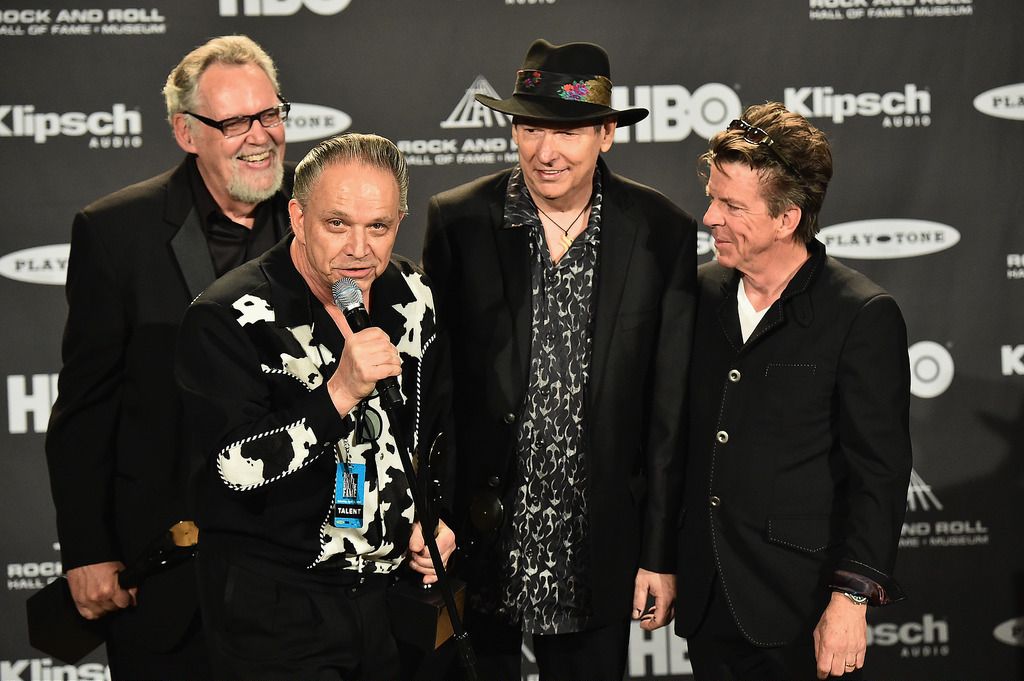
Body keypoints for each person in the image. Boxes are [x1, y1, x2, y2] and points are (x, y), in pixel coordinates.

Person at [423, 38, 697, 680]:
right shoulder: (458, 221)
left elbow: (669, 411)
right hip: (478, 537)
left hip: (595, 546)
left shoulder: (662, 232)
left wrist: (658, 552)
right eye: (529, 127)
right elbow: (432, 391)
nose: (545, 152)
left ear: (605, 134)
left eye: (568, 131)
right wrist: (431, 516)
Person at [45, 35, 292, 679]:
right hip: (169, 573)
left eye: (269, 115)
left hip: (303, 575)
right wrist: (88, 550)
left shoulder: (322, 217)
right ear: (187, 133)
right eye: (234, 122)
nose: (260, 136)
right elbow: (87, 406)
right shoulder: (115, 233)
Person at [175, 133, 456, 680]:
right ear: (297, 217)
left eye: (378, 226)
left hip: (391, 601)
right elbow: (232, 468)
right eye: (337, 224)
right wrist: (339, 393)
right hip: (279, 606)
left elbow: (433, 426)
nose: (359, 247)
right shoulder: (227, 317)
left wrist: (432, 517)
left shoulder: (412, 294)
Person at [675, 102, 913, 680]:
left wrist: (851, 599)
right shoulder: (696, 293)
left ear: (787, 218)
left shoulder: (859, 314)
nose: (710, 217)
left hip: (799, 606)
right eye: (712, 198)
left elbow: (878, 472)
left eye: (732, 206)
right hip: (707, 600)